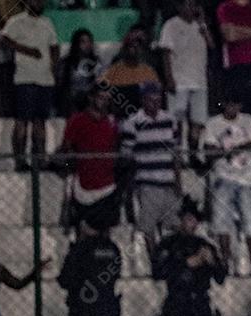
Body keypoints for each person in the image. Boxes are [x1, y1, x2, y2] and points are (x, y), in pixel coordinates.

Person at [152, 196, 227, 316]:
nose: (190, 223)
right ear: (180, 219)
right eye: (187, 218)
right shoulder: (168, 243)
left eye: (194, 219)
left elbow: (220, 277)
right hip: (176, 305)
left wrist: (212, 262)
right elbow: (158, 272)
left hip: (200, 305)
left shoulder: (205, 245)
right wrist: (186, 263)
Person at [57, 211, 122, 316]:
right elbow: (115, 274)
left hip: (82, 313)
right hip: (106, 312)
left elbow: (65, 280)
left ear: (85, 225)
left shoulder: (79, 249)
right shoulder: (112, 248)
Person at [205, 94, 251, 273]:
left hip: (247, 180)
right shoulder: (213, 124)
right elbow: (209, 150)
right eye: (229, 104)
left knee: (250, 224)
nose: (233, 108)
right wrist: (229, 151)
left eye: (236, 104)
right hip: (223, 179)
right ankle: (225, 264)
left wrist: (234, 149)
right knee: (222, 225)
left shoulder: (248, 121)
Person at [120, 82, 181, 253]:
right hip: (147, 183)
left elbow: (176, 153)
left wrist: (178, 181)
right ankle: (155, 259)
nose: (155, 104)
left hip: (168, 181)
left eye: (158, 100)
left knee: (173, 224)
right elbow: (127, 156)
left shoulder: (170, 120)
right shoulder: (132, 122)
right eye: (151, 100)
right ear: (143, 100)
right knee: (149, 226)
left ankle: (171, 258)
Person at [1, 0, 59, 171]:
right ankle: (20, 161)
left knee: (40, 121)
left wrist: (53, 64)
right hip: (24, 78)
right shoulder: (16, 21)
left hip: (45, 79)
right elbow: (4, 40)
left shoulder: (47, 22)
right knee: (22, 121)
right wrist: (26, 50)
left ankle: (40, 160)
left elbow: (54, 45)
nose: (40, 3)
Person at [158, 0, 213, 168]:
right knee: (178, 121)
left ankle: (194, 154)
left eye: (194, 5)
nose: (192, 8)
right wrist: (169, 78)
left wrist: (203, 25)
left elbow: (211, 45)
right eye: (188, 5)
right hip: (179, 81)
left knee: (198, 120)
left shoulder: (200, 25)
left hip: (199, 81)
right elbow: (165, 53)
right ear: (179, 7)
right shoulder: (171, 25)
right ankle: (179, 156)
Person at [59, 86, 119, 230]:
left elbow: (115, 147)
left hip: (107, 183)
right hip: (83, 183)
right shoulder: (77, 120)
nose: (104, 102)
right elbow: (67, 147)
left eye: (107, 99)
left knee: (105, 227)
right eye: (101, 97)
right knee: (82, 227)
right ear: (91, 98)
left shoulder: (112, 122)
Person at [216, 0, 251, 117]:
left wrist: (238, 30)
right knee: (239, 111)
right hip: (236, 65)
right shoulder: (225, 7)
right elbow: (230, 36)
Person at [100, 36, 161, 119]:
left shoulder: (148, 71)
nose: (133, 50)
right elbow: (103, 93)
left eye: (137, 47)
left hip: (143, 117)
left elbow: (156, 95)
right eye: (130, 47)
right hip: (121, 116)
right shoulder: (113, 71)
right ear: (124, 50)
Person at [56, 29, 102, 117]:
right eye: (83, 42)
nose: (87, 45)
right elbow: (61, 84)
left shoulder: (95, 62)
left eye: (89, 41)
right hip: (71, 99)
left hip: (90, 99)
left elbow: (100, 82)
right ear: (76, 44)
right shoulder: (66, 63)